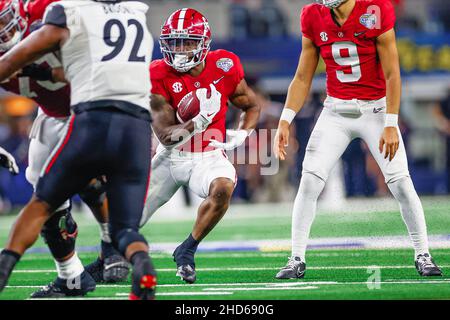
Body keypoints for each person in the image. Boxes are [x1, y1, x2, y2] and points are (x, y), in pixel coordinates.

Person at [273, 0, 442, 279]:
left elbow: (392, 73)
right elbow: (302, 76)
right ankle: (296, 258)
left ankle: (423, 253)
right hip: (336, 111)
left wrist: (390, 122)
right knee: (310, 180)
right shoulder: (313, 15)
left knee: (400, 181)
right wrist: (285, 119)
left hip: (375, 109)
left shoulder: (375, 9)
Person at [0, 0, 156, 300]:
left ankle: (109, 245)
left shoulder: (54, 9)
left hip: (87, 111)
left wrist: (34, 66)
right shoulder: (131, 12)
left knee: (50, 195)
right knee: (43, 184)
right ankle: (72, 276)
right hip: (79, 116)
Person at [143, 8, 260, 283]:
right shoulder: (157, 73)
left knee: (223, 188)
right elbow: (164, 136)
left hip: (208, 155)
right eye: (175, 43)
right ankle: (105, 262)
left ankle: (187, 250)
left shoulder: (225, 66)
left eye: (188, 42)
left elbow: (251, 105)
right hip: (171, 157)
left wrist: (244, 133)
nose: (181, 49)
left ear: (204, 43)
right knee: (124, 223)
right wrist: (199, 121)